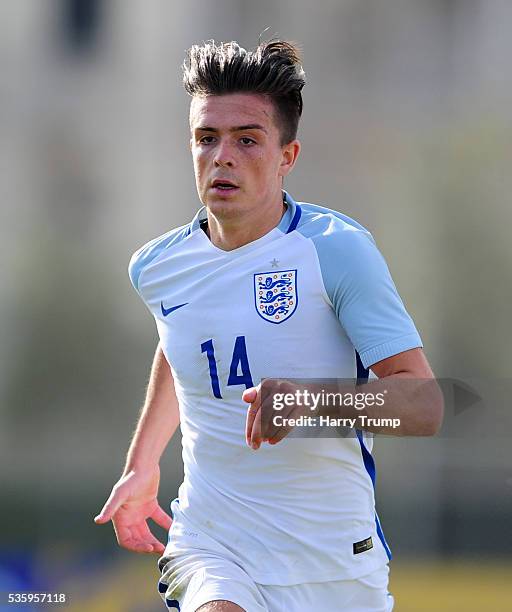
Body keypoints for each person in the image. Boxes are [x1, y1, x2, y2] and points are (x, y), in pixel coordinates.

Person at [95, 39, 443, 612]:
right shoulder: (157, 267)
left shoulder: (336, 252)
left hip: (335, 567)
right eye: (207, 138)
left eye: (247, 140)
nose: (222, 156)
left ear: (288, 156)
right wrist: (141, 463)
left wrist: (307, 402)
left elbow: (424, 405)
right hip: (212, 548)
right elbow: (179, 345)